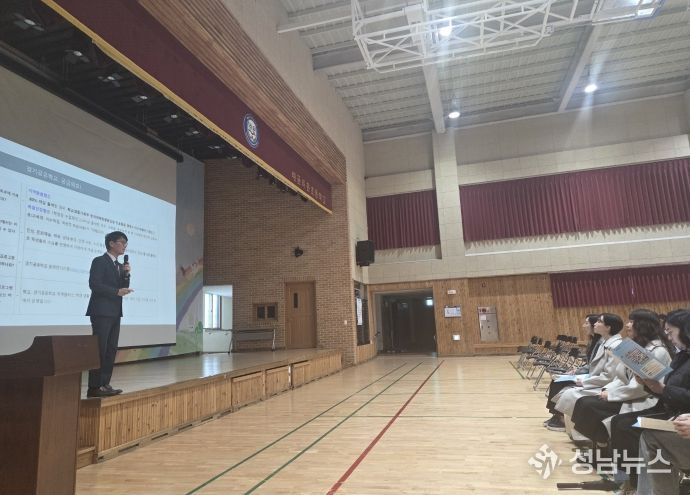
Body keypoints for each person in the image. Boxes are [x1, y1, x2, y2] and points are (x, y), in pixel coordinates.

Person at [570, 309, 673, 444]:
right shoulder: (635, 346)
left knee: (590, 406)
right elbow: (621, 376)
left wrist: (612, 395)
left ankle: (603, 446)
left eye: (631, 322)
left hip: (643, 399)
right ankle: (601, 445)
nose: (627, 325)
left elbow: (642, 388)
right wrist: (608, 390)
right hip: (627, 393)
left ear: (642, 325)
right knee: (584, 402)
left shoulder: (657, 351)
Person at [85, 231, 133, 397]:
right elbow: (94, 284)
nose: (124, 246)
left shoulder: (119, 266)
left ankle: (105, 384)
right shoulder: (100, 261)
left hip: (115, 312)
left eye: (126, 243)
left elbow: (122, 286)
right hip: (101, 311)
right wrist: (115, 292)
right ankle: (94, 387)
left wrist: (126, 274)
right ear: (111, 243)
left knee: (111, 349)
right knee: (100, 349)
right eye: (122, 242)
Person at [544, 314, 602, 430]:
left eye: (586, 323)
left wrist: (578, 371)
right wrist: (576, 370)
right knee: (556, 380)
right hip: (588, 372)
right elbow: (590, 364)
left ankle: (561, 418)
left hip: (593, 376)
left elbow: (594, 366)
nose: (584, 326)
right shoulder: (592, 341)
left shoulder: (600, 343)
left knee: (559, 383)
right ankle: (556, 415)